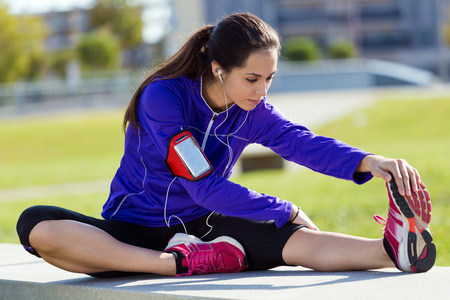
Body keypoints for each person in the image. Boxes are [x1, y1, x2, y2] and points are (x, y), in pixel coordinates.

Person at [17, 13, 435, 277]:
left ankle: (391, 250)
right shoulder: (164, 98)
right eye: (252, 79)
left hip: (208, 230)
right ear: (219, 70)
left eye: (269, 79)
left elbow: (301, 142)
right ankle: (177, 264)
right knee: (38, 225)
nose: (261, 91)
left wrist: (369, 162)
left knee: (297, 241)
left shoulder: (253, 109)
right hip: (135, 229)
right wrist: (284, 208)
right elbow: (201, 184)